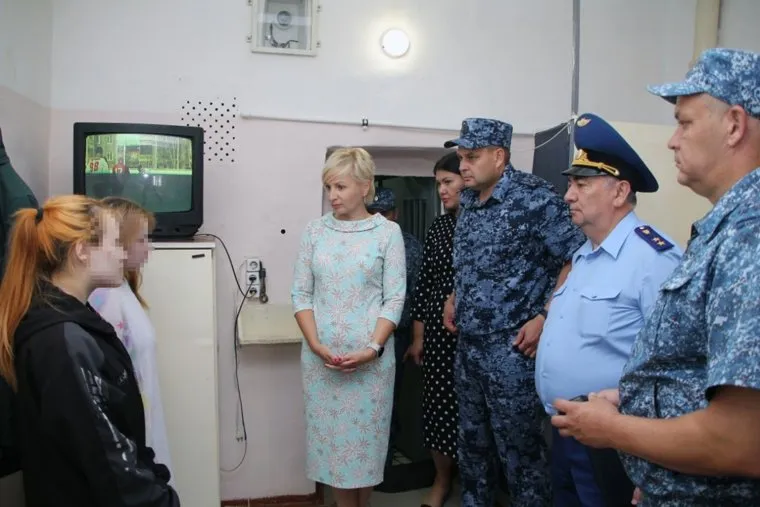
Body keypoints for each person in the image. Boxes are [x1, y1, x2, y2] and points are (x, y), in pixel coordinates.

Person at [551, 48, 760, 505]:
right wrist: (636, 416)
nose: (672, 141)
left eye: (684, 123)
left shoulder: (750, 235)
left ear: (734, 125)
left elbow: (742, 441)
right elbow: (686, 369)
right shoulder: (724, 229)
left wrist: (617, 432)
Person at [535, 113, 682, 506]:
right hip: (566, 429)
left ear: (619, 192)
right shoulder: (584, 254)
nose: (568, 196)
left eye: (581, 184)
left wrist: (656, 463)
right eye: (570, 184)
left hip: (615, 438)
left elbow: (675, 368)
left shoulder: (654, 259)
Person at [441, 118, 586, 506]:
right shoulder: (470, 201)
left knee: (521, 454)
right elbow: (471, 261)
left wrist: (545, 316)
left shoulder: (535, 199)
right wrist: (454, 295)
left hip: (512, 351)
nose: (463, 166)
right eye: (461, 157)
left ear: (499, 156)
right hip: (469, 347)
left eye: (472, 157)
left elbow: (577, 259)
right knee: (472, 447)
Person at [0, 195, 179, 507]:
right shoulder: (61, 341)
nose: (122, 252)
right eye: (114, 242)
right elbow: (105, 458)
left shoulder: (73, 318)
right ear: (82, 251)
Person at [291, 147, 406, 507]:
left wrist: (372, 348)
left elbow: (394, 299)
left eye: (340, 186)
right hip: (322, 365)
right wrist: (315, 345)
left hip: (371, 367)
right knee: (334, 452)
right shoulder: (315, 232)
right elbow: (301, 294)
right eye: (328, 187)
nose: (332, 195)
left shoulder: (387, 233)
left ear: (364, 186)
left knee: (366, 450)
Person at [88, 196, 173, 481]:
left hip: (143, 417)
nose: (149, 248)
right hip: (128, 432)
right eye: (141, 240)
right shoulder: (105, 299)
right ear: (119, 242)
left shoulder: (122, 288)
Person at [406, 151, 464, 507]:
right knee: (439, 411)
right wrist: (418, 337)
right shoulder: (440, 227)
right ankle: (442, 481)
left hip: (474, 337)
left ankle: (476, 484)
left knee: (472, 416)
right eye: (438, 183)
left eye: (448, 182)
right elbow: (425, 284)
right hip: (438, 338)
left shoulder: (488, 224)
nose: (442, 190)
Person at [366, 186, 422, 469]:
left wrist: (417, 337)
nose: (379, 219)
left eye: (385, 213)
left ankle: (385, 465)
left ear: (395, 214)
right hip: (362, 333)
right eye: (373, 213)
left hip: (397, 334)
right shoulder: (358, 244)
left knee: (389, 398)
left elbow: (419, 294)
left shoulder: (410, 246)